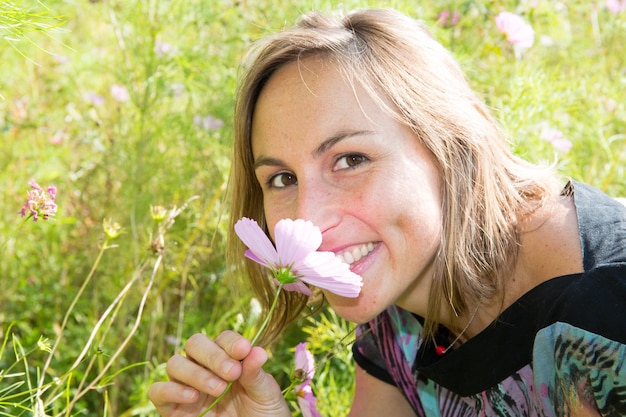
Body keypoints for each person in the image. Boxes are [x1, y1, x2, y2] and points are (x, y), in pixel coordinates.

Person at [148, 8, 626, 416]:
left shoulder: (602, 319)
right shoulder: (398, 301)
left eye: (351, 160)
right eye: (282, 179)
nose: (308, 222)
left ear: (456, 144)